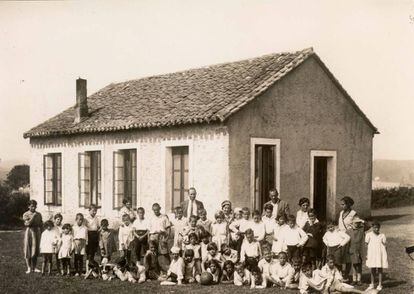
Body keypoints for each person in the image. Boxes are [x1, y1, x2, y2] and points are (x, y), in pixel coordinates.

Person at [338, 196, 358, 280]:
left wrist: (351, 231)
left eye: (343, 204)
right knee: (339, 256)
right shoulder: (341, 213)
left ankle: (346, 274)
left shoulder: (353, 213)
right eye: (341, 204)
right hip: (341, 237)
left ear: (348, 205)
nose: (341, 206)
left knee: (348, 257)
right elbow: (340, 225)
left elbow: (357, 225)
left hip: (349, 237)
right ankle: (339, 274)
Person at [365, 221, 388, 291]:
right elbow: (366, 245)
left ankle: (380, 284)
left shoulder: (382, 235)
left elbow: (385, 245)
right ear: (372, 228)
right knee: (373, 269)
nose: (377, 229)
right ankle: (372, 284)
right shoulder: (368, 235)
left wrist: (384, 255)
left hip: (380, 255)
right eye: (375, 228)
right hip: (372, 254)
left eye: (378, 228)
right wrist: (367, 254)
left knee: (380, 269)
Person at [149, 203, 172, 272]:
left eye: (157, 210)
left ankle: (170, 267)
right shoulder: (151, 218)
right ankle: (156, 269)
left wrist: (166, 238)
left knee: (164, 252)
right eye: (154, 210)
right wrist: (149, 238)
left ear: (160, 208)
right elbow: (149, 230)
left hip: (162, 235)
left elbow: (168, 228)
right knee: (154, 253)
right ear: (152, 210)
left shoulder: (164, 217)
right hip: (153, 236)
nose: (156, 211)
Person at [23, 199, 43, 274]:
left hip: (36, 232)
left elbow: (41, 224)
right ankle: (29, 268)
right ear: (28, 206)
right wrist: (33, 217)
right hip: (29, 232)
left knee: (35, 250)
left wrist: (43, 233)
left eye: (35, 206)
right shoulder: (26, 214)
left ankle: (34, 268)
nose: (34, 208)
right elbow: (27, 224)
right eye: (32, 206)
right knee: (28, 249)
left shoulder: (39, 214)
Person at [349, 217, 365, 285]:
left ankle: (359, 279)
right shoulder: (349, 231)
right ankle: (354, 279)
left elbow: (369, 226)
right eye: (355, 223)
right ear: (352, 223)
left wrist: (362, 221)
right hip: (352, 249)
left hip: (359, 249)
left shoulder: (361, 229)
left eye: (358, 223)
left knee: (359, 265)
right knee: (354, 265)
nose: (357, 224)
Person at [85, 204, 100, 273]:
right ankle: (87, 269)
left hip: (95, 235)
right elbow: (85, 228)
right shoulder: (86, 218)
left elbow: (98, 227)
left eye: (95, 211)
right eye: (93, 211)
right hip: (89, 235)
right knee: (89, 253)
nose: (94, 212)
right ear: (89, 210)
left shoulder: (96, 218)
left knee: (93, 252)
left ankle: (92, 268)